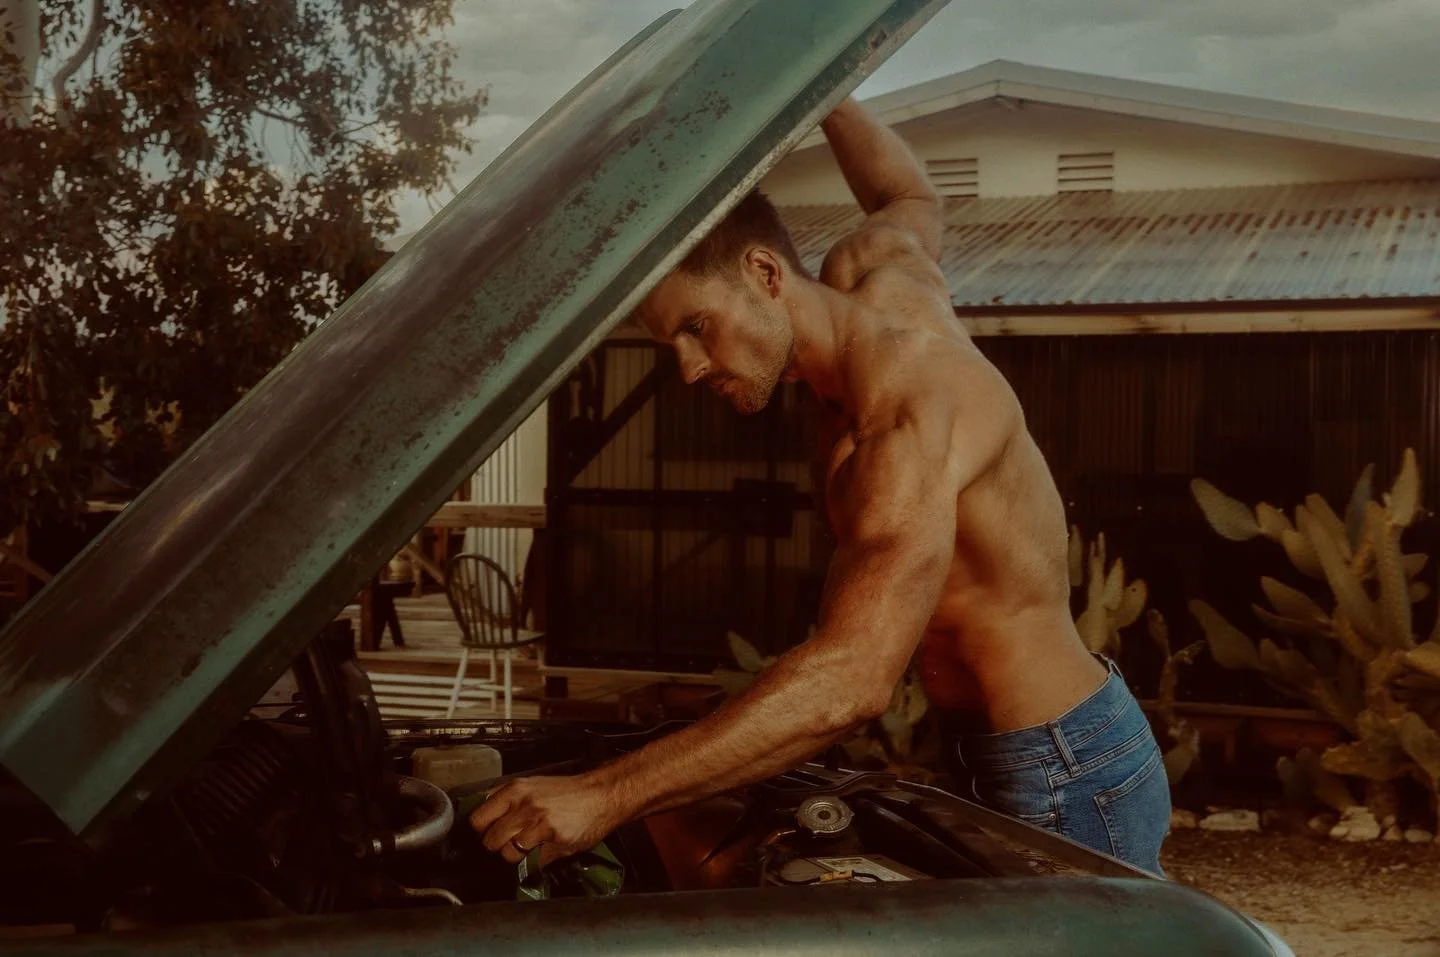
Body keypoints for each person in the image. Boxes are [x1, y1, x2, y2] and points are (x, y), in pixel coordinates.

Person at [470, 97, 1171, 874]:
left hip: (1063, 767)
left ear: (766, 273)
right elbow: (907, 196)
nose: (690, 367)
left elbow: (852, 682)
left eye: (697, 327)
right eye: (669, 342)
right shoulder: (876, 274)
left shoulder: (908, 421)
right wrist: (827, 96)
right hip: (1000, 751)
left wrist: (603, 795)